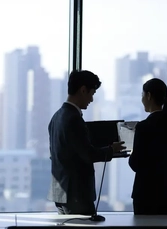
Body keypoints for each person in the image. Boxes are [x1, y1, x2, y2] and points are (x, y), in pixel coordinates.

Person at [47, 70, 126, 215]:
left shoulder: (56, 117)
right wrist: (111, 149)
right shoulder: (73, 119)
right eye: (92, 93)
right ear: (83, 90)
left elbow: (57, 155)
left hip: (60, 193)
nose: (91, 99)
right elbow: (87, 154)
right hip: (77, 194)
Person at [128, 78, 167, 215]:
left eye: (142, 95)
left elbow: (135, 163)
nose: (142, 100)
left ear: (149, 96)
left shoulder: (143, 127)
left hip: (146, 195)